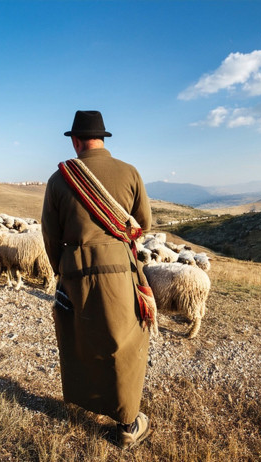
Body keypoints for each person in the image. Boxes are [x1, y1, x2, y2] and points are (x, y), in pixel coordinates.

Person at [41, 110, 153, 449]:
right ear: (102, 139)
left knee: (81, 337)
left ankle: (87, 400)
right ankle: (129, 423)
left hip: (75, 269)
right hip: (120, 268)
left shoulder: (60, 179)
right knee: (125, 342)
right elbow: (142, 223)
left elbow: (50, 236)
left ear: (76, 141)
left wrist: (64, 270)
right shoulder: (130, 172)